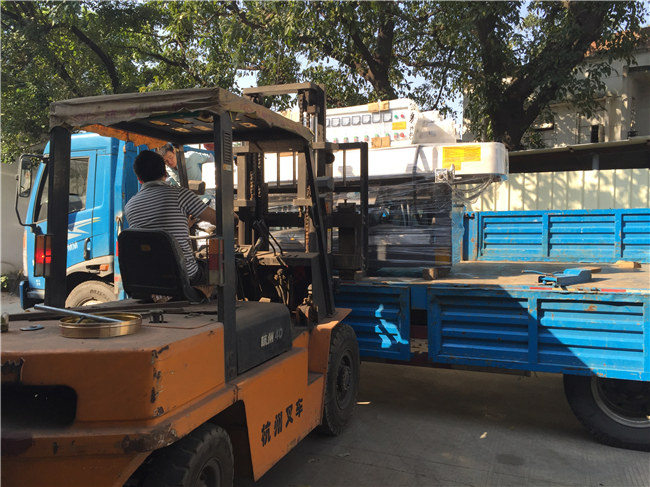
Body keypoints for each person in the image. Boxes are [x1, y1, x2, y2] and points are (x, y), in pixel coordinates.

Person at [125, 150, 217, 284]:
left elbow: (155, 231)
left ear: (139, 179)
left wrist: (185, 225)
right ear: (165, 173)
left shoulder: (130, 206)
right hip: (185, 277)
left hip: (151, 280)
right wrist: (234, 218)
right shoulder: (180, 195)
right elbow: (219, 219)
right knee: (221, 266)